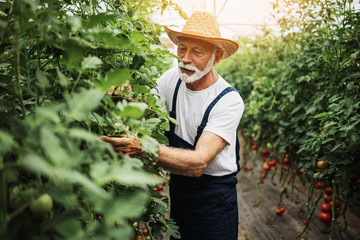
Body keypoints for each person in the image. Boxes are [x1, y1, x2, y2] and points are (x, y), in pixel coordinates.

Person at [102, 11, 244, 240]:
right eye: (182, 48)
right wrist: (121, 95)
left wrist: (141, 147)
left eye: (197, 52)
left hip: (214, 201)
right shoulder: (172, 79)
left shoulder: (228, 100)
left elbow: (199, 163)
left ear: (216, 58)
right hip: (179, 191)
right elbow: (143, 110)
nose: (185, 58)